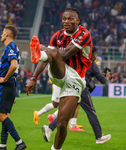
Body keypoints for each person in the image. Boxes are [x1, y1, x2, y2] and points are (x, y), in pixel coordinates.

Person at [26, 8, 92, 150]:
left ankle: (56, 148)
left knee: (62, 123)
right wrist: (33, 77)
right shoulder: (57, 35)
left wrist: (44, 50)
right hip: (59, 73)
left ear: (78, 21)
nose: (66, 21)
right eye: (64, 19)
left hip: (75, 78)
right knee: (51, 53)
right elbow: (48, 59)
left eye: (70, 19)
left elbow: (63, 55)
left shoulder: (84, 34)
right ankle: (40, 53)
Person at [42, 47, 112, 144]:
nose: (96, 56)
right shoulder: (91, 63)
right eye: (95, 54)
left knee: (69, 112)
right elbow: (102, 79)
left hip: (73, 87)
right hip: (83, 90)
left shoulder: (79, 60)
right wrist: (107, 77)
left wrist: (102, 73)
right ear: (93, 54)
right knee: (91, 111)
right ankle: (99, 136)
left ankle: (49, 128)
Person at [0, 25, 26, 150]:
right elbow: (15, 70)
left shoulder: (10, 47)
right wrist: (12, 92)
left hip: (6, 84)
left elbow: (14, 65)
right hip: (9, 86)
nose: (1, 35)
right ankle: (3, 146)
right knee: (4, 115)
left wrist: (5, 79)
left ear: (7, 34)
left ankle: (19, 142)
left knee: (0, 116)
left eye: (2, 32)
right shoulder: (12, 47)